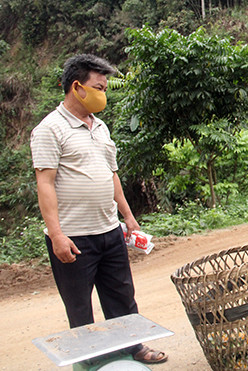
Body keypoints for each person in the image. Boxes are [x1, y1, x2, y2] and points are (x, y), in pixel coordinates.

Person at [30, 54, 167, 364]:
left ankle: (133, 348)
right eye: (98, 87)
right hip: (74, 237)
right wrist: (56, 235)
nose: (103, 93)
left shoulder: (101, 127)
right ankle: (92, 360)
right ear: (77, 87)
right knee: (80, 305)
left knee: (121, 297)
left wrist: (129, 217)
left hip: (110, 231)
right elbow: (45, 184)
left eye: (105, 87)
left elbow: (112, 175)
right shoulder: (50, 129)